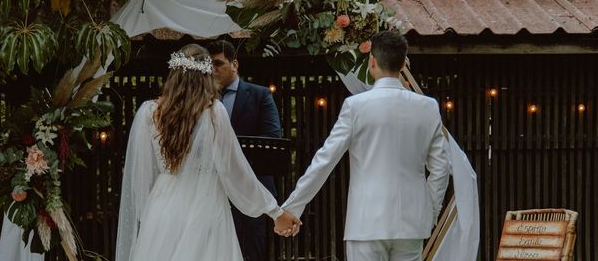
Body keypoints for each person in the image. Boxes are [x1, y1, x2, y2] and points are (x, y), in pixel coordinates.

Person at [115, 44, 300, 261]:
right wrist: (275, 212)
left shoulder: (149, 112)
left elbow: (143, 175)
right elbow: (235, 172)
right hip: (205, 208)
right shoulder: (214, 112)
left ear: (173, 74)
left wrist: (148, 216)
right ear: (206, 76)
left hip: (161, 208)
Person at [280, 30, 450, 261]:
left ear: (372, 61)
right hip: (412, 224)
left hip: (366, 222)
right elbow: (440, 168)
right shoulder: (428, 107)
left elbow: (325, 160)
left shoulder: (355, 106)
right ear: (403, 64)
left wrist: (291, 207)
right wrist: (429, 213)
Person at [207, 40, 281, 261]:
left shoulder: (260, 95)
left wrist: (231, 158)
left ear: (235, 64)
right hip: (212, 191)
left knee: (252, 252)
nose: (213, 70)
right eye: (209, 65)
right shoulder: (202, 100)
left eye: (218, 63)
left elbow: (271, 139)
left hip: (251, 189)